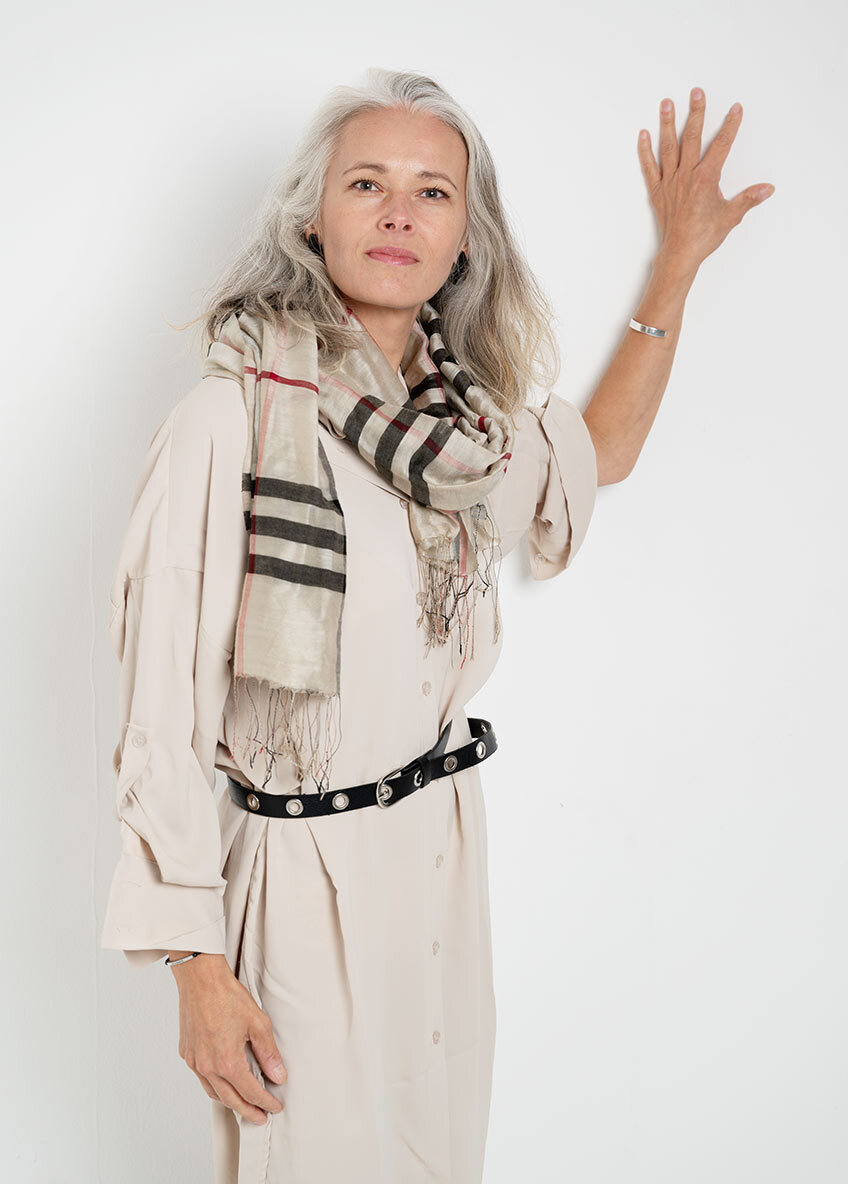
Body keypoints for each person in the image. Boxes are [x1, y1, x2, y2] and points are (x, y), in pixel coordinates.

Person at [100, 68, 773, 1184]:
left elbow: (594, 453)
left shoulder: (463, 443)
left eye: (432, 192)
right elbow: (159, 714)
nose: (399, 213)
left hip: (441, 859)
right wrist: (196, 970)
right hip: (298, 870)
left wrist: (677, 264)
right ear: (312, 219)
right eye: (366, 183)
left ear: (464, 241)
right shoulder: (230, 421)